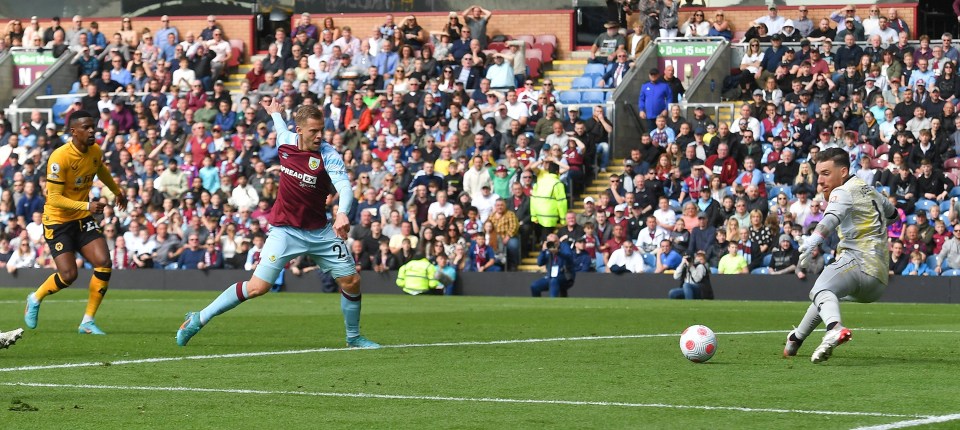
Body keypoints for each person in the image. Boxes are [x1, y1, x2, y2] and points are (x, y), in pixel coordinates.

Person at [175, 99, 380, 349]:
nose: (319, 136)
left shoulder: (328, 155)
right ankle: (199, 318)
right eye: (313, 131)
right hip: (285, 231)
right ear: (299, 130)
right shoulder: (285, 142)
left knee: (351, 281)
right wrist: (274, 113)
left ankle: (353, 337)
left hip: (320, 231)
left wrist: (342, 213)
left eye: (321, 130)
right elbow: (280, 126)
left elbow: (345, 187)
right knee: (257, 287)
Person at [787, 148, 899, 363]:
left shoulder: (842, 191)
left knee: (821, 288)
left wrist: (813, 240)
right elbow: (893, 216)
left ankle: (834, 328)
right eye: (818, 174)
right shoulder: (870, 191)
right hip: (878, 280)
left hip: (858, 263)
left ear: (843, 171)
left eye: (826, 173)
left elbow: (831, 218)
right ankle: (795, 338)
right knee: (826, 296)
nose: (820, 180)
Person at [24, 111, 127, 335]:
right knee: (69, 276)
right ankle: (35, 297)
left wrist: (117, 192)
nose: (92, 131)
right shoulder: (59, 158)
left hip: (81, 219)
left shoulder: (95, 151)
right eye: (87, 128)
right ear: (74, 131)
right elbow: (54, 198)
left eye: (94, 127)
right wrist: (86, 206)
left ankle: (87, 321)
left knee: (104, 261)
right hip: (58, 222)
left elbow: (101, 169)